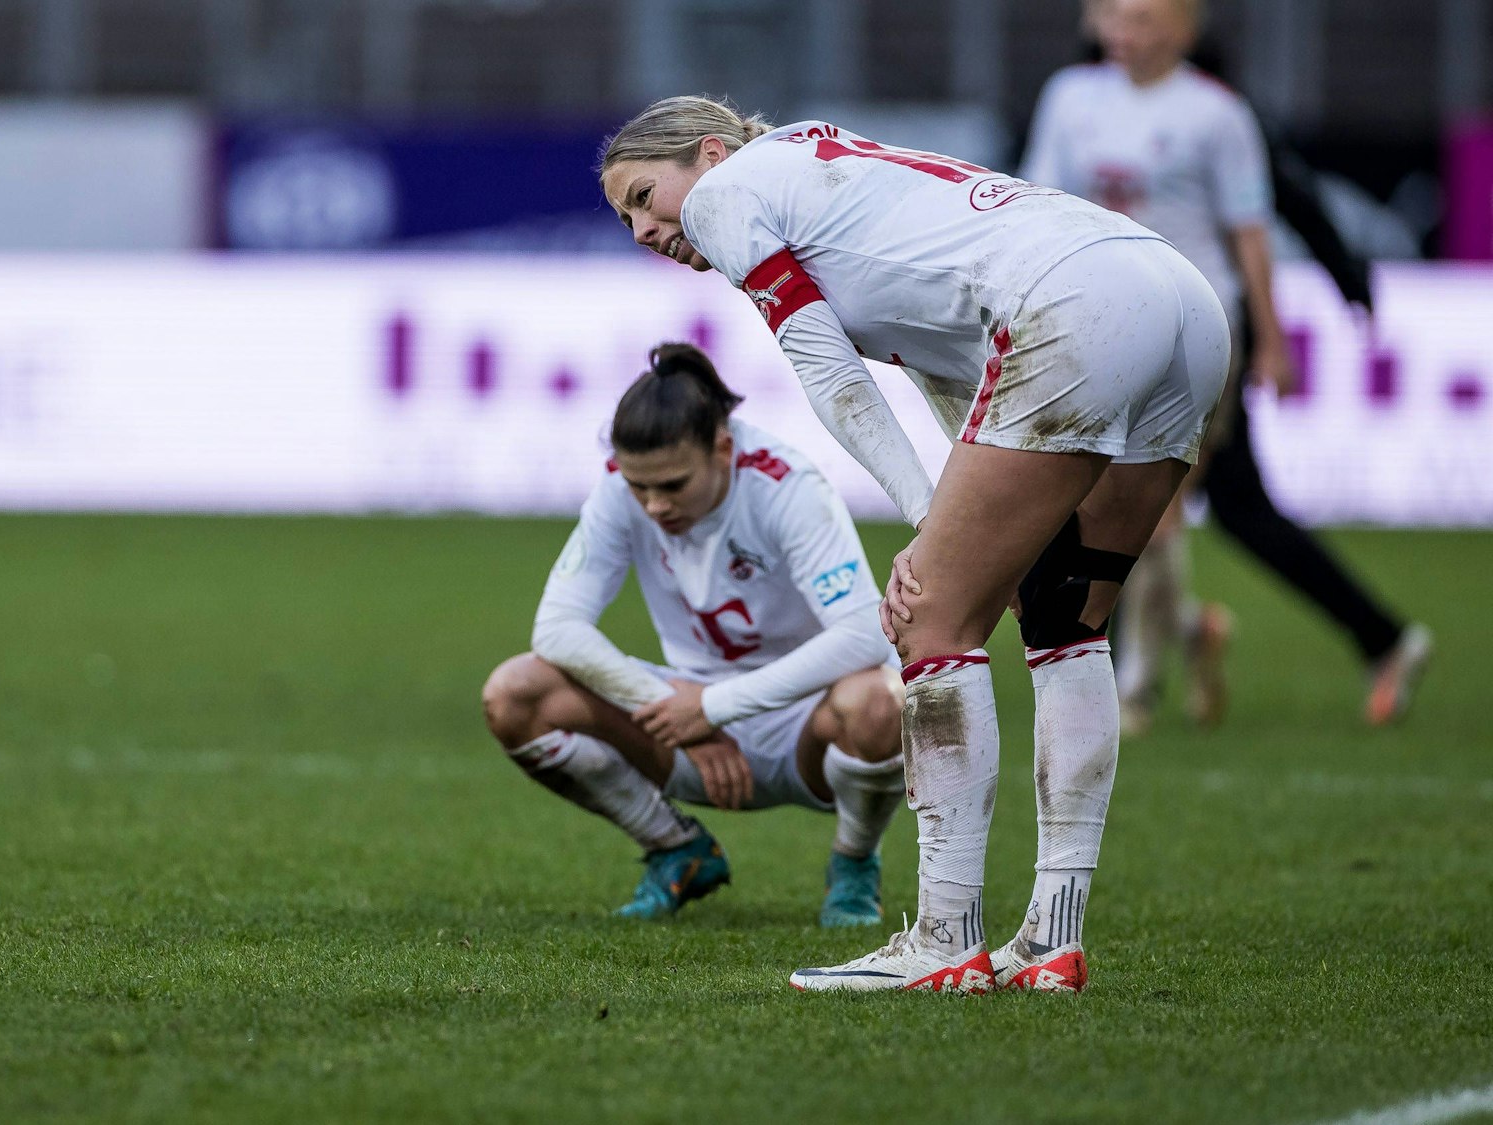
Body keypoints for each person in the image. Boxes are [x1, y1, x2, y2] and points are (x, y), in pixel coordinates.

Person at [599, 96, 1229, 993]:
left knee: (930, 622)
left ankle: (944, 940)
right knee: (1064, 619)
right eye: (626, 217)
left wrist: (932, 536)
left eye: (643, 196)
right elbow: (958, 369)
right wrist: (970, 530)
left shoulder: (726, 194)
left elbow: (828, 371)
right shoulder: (827, 173)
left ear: (706, 153)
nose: (643, 229)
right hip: (1177, 296)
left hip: (1076, 300)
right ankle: (1053, 940)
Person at [1021, 0, 1432, 730]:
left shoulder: (1219, 116)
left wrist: (1270, 339)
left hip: (1194, 331)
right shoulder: (1068, 97)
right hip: (1099, 323)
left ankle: (1131, 688)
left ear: (1184, 28)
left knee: (1140, 505)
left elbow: (1253, 231)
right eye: (1112, 14)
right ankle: (1363, 636)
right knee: (1233, 508)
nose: (1124, 30)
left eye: (1142, 16)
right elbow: (1039, 206)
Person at [481, 343, 907, 926]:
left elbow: (865, 635)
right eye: (639, 488)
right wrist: (672, 709)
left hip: (807, 721)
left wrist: (715, 707)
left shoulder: (788, 486)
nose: (654, 505)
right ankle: (677, 849)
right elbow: (557, 628)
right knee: (515, 692)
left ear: (723, 449)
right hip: (681, 719)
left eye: (674, 485)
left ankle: (855, 863)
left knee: (882, 700)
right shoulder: (618, 487)